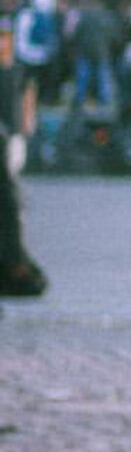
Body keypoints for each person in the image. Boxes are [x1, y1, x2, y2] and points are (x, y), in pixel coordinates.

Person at [0, 19, 46, 297]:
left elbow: (28, 99)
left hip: (10, 134)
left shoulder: (19, 70)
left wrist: (27, 125)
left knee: (9, 185)